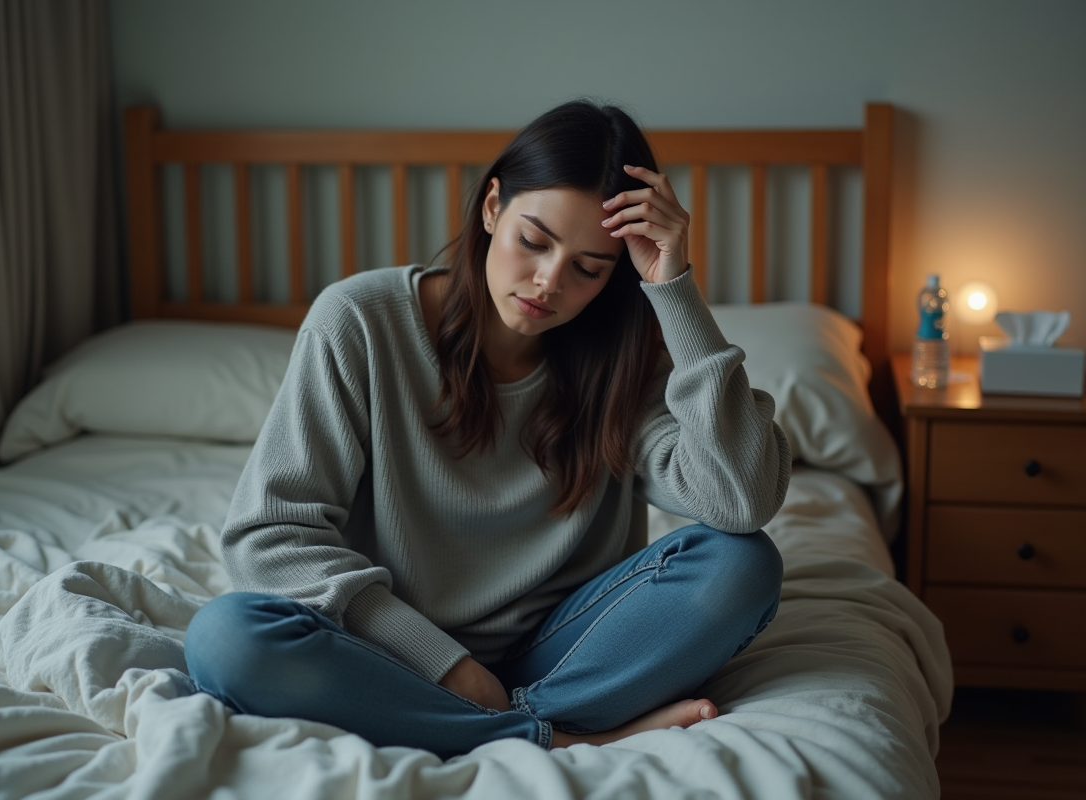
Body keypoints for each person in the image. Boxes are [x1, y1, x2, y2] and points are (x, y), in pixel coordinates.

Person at [184, 100, 790, 759]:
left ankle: (478, 724)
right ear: (492, 206)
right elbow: (268, 536)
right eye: (534, 240)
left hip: (562, 654)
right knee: (225, 639)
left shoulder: (623, 359)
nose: (547, 281)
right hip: (389, 655)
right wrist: (445, 664)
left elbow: (741, 499)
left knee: (743, 563)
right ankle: (550, 736)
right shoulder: (360, 320)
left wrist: (674, 288)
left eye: (589, 268)